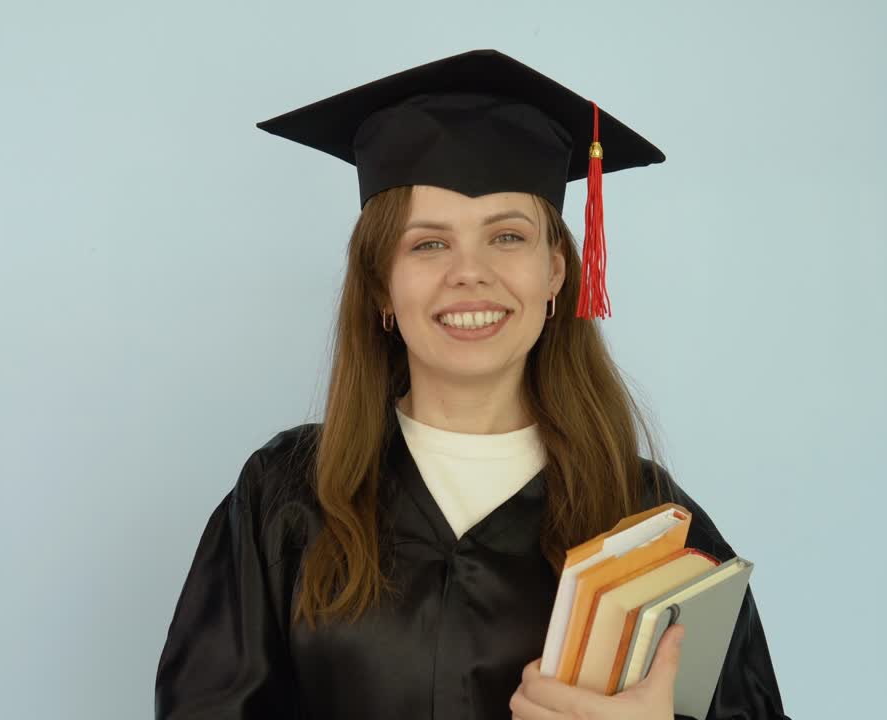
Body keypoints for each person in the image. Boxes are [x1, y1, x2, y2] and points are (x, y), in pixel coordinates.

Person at [155, 49, 788, 720]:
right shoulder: (284, 498)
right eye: (428, 244)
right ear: (381, 288)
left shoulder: (650, 526)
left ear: (555, 275)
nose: (470, 273)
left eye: (507, 238)